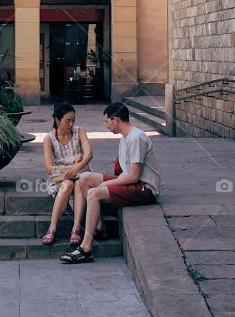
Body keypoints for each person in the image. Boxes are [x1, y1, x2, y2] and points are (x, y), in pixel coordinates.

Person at [60, 101, 160, 264]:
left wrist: (104, 185)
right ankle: (99, 226)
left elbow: (134, 176)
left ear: (116, 120)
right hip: (129, 182)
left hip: (144, 188)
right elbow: (124, 173)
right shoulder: (125, 137)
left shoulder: (136, 138)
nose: (106, 125)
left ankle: (85, 248)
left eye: (107, 121)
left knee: (93, 193)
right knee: (85, 178)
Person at [40, 102, 94, 246]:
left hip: (81, 172)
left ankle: (76, 229)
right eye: (67, 121)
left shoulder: (80, 131)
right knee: (68, 183)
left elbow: (89, 154)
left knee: (78, 183)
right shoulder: (49, 138)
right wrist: (74, 166)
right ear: (57, 120)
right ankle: (52, 228)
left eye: (73, 120)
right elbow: (50, 169)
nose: (71, 124)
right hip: (59, 175)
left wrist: (76, 169)